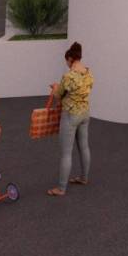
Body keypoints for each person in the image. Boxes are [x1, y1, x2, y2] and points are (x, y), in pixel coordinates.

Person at [47, 41, 94, 197]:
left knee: (66, 153)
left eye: (66, 61)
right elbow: (85, 90)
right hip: (85, 113)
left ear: (70, 59)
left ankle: (61, 188)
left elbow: (58, 95)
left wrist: (55, 87)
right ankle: (84, 178)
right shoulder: (88, 72)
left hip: (70, 116)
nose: (66, 64)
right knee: (84, 147)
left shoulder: (68, 76)